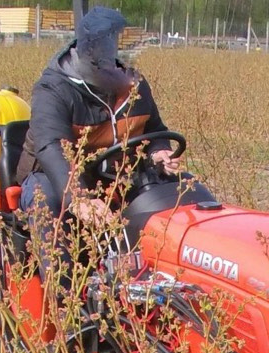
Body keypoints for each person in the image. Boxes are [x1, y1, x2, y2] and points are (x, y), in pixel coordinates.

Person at [15, 7, 182, 279]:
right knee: (46, 201)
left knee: (180, 190)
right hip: (53, 175)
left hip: (115, 175)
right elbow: (51, 148)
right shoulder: (54, 90)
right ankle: (66, 302)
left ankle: (161, 280)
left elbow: (154, 129)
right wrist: (78, 198)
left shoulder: (134, 85)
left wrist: (159, 151)